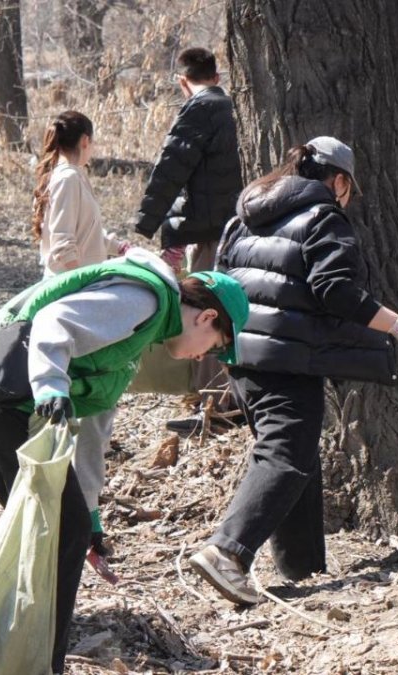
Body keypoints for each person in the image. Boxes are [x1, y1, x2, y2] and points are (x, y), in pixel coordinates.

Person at [0, 249, 249, 674]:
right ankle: (35, 662)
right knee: (56, 533)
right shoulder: (145, 299)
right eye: (214, 348)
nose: (203, 357)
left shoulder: (139, 335)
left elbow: (93, 425)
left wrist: (89, 513)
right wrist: (50, 387)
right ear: (207, 318)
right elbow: (55, 323)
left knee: (53, 531)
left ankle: (4, 653)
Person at [191, 137, 398, 605]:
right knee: (284, 456)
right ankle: (227, 552)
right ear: (339, 180)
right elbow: (336, 291)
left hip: (242, 357)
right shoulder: (324, 216)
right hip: (287, 359)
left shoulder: (245, 214)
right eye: (350, 187)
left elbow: (221, 280)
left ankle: (302, 567)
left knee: (295, 457)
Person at [31, 109, 132, 580]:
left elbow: (85, 238)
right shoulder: (69, 178)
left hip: (79, 306)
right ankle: (85, 524)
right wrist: (95, 284)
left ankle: (84, 520)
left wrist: (117, 250)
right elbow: (63, 251)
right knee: (91, 416)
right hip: (76, 313)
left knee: (92, 417)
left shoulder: (68, 177)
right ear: (86, 141)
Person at [129, 47, 243, 434]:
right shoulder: (236, 107)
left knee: (205, 318)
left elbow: (171, 167)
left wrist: (146, 223)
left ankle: (213, 411)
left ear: (182, 81)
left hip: (210, 236)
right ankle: (222, 403)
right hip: (240, 231)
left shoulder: (199, 108)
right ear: (216, 75)